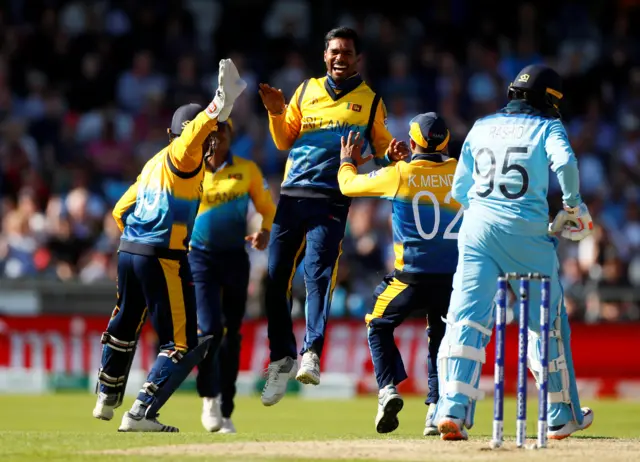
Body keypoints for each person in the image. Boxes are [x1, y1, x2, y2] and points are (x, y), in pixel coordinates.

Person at [434, 64, 595, 441]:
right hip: (526, 233)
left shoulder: (481, 125)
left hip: (475, 231)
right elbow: (567, 163)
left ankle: (452, 411)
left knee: (466, 320)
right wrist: (572, 207)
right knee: (547, 323)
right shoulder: (548, 127)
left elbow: (459, 191)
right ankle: (560, 415)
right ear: (547, 100)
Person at [91, 59, 247, 432]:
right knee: (182, 343)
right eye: (211, 137)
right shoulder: (183, 154)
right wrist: (220, 104)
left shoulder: (151, 164)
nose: (213, 144)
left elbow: (119, 210)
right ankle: (141, 413)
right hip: (162, 257)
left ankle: (106, 396)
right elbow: (194, 136)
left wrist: (139, 238)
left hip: (130, 251)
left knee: (125, 322)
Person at [258, 26, 410, 406]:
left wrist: (391, 154)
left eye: (346, 52)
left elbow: (379, 149)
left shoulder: (370, 100)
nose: (339, 58)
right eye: (334, 52)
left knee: (317, 275)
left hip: (331, 198)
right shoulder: (306, 90)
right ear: (324, 56)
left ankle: (311, 351)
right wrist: (277, 112)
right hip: (292, 195)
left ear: (357, 58)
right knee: (273, 279)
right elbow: (283, 140)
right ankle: (281, 358)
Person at [337, 114, 462, 435]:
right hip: (452, 279)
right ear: (445, 142)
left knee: (377, 325)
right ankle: (435, 411)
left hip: (410, 278)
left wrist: (346, 162)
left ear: (415, 141)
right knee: (439, 338)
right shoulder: (463, 172)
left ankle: (388, 389)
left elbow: (347, 186)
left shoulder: (399, 174)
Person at [189, 118, 276, 434]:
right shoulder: (192, 169)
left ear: (230, 137)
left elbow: (267, 208)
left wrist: (264, 231)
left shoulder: (247, 170)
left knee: (232, 333)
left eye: (222, 134)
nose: (216, 140)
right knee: (209, 330)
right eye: (210, 134)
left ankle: (226, 407)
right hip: (199, 257)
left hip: (234, 258)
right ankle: (209, 397)